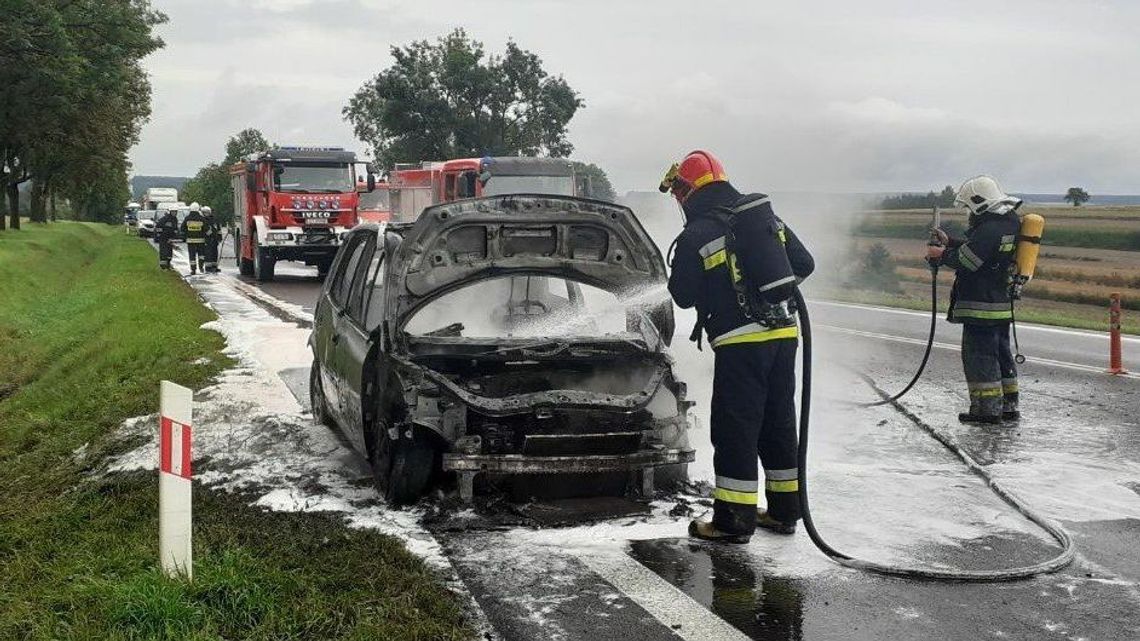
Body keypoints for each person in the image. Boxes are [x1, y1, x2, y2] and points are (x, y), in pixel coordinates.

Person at [662, 150, 815, 543]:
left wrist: (726, 294)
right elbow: (804, 263)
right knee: (778, 424)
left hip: (740, 343)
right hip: (784, 336)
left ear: (687, 192)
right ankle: (785, 513)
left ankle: (732, 520)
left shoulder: (696, 234)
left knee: (736, 430)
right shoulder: (765, 220)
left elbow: (681, 295)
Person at [927, 176, 1022, 424]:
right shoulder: (1008, 222)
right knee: (1001, 353)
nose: (969, 212)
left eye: (969, 206)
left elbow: (970, 260)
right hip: (1000, 304)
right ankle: (1008, 406)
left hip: (981, 306)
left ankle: (986, 410)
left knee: (979, 356)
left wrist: (941, 254)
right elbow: (982, 251)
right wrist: (952, 243)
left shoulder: (989, 228)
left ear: (979, 202)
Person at [181, 202, 207, 275]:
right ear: (198, 209)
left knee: (192, 256)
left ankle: (193, 270)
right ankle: (201, 267)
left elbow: (182, 229)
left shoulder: (187, 218)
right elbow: (206, 229)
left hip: (190, 241)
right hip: (201, 241)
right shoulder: (202, 219)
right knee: (201, 255)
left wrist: (185, 236)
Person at [201, 206, 221, 273]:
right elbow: (203, 230)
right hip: (207, 240)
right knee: (208, 253)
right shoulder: (203, 220)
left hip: (214, 239)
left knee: (215, 253)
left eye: (207, 213)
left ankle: (214, 266)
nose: (206, 214)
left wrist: (219, 237)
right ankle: (208, 267)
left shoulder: (214, 220)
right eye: (205, 213)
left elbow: (218, 229)